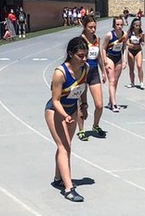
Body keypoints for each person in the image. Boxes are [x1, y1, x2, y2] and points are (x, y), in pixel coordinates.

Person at [45, 37, 88, 202]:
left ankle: (58, 178)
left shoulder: (85, 68)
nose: (84, 59)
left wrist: (84, 105)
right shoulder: (60, 73)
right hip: (55, 111)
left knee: (66, 146)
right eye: (80, 55)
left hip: (72, 111)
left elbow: (82, 88)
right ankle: (69, 189)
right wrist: (65, 115)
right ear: (71, 54)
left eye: (85, 55)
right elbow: (55, 100)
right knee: (64, 147)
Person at [78, 15, 107, 141]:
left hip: (94, 73)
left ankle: (95, 125)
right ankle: (81, 130)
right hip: (82, 74)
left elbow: (99, 56)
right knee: (83, 105)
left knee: (99, 105)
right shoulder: (80, 40)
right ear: (84, 27)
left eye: (95, 27)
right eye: (90, 27)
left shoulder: (97, 39)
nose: (93, 30)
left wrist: (104, 71)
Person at [102, 16, 127, 112]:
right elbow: (103, 48)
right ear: (114, 25)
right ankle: (114, 104)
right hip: (110, 57)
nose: (119, 27)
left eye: (121, 24)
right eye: (117, 25)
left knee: (115, 81)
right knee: (111, 81)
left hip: (118, 58)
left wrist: (124, 60)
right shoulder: (109, 35)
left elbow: (124, 48)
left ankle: (110, 102)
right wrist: (105, 60)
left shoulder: (124, 35)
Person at [125, 18, 145, 89]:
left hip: (138, 50)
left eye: (139, 25)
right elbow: (125, 41)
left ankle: (141, 82)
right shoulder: (129, 32)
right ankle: (132, 83)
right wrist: (129, 44)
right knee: (131, 68)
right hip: (131, 50)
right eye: (137, 25)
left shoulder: (141, 33)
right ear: (133, 25)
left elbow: (143, 42)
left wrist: (142, 41)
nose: (138, 27)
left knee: (139, 66)